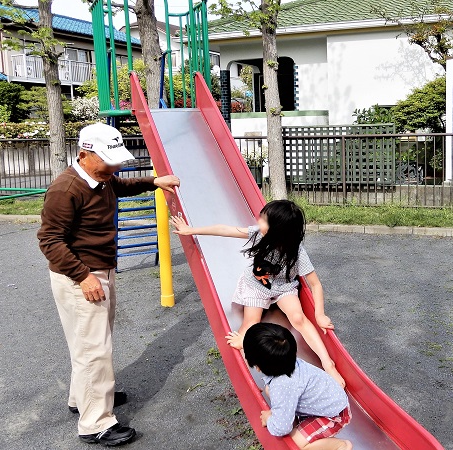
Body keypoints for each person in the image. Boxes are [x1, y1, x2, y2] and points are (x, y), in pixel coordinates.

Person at [38, 122, 180, 446]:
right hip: (81, 276)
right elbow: (49, 240)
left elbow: (122, 185)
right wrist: (83, 276)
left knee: (88, 344)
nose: (114, 167)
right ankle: (96, 423)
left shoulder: (101, 179)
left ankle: (83, 398)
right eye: (107, 160)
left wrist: (155, 181)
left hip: (97, 271)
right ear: (84, 154)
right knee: (94, 350)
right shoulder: (66, 189)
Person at [170, 199, 345, 387]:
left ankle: (328, 363)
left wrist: (320, 315)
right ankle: (254, 382)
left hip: (283, 287)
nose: (258, 222)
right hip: (256, 286)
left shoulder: (296, 251)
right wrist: (191, 230)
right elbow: (226, 230)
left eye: (264, 220)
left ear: (278, 229)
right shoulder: (258, 235)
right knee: (249, 327)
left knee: (298, 318)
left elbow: (315, 284)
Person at [245, 323, 352, 450]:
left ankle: (340, 446)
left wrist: (270, 419)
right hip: (325, 403)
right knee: (270, 391)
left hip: (334, 415)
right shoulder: (287, 361)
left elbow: (281, 428)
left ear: (257, 366)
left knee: (292, 446)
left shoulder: (283, 384)